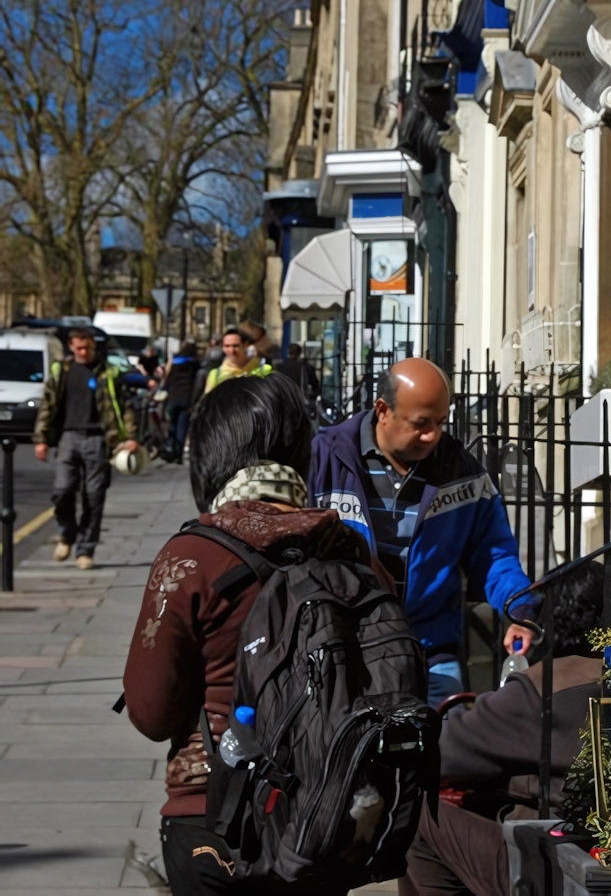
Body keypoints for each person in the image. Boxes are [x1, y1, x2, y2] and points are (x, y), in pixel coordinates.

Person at [121, 374, 367, 895]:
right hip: (325, 818)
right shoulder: (351, 551)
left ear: (210, 456)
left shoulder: (191, 558)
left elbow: (150, 711)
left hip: (213, 816)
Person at [311, 358, 535, 709]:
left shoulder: (462, 471)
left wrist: (519, 609)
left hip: (430, 651)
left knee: (445, 753)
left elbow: (493, 554)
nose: (432, 435)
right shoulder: (323, 457)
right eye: (420, 424)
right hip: (344, 646)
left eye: (440, 422)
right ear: (383, 410)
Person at [399, 562, 611, 896]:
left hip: (552, 863)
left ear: (549, 618)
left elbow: (444, 755)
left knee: (420, 816)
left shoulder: (545, 684)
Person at [32, 328, 139, 570]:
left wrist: (131, 437)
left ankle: (85, 549)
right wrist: (41, 439)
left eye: (87, 347)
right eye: (79, 347)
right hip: (68, 438)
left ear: (93, 346)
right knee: (62, 491)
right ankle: (67, 533)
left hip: (99, 439)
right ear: (71, 346)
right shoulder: (62, 371)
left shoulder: (107, 373)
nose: (83, 351)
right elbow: (47, 404)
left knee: (94, 497)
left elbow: (126, 406)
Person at [159, 342, 201, 461]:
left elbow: (168, 379)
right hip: (186, 398)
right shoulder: (193, 363)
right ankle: (178, 453)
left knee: (172, 423)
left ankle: (171, 448)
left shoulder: (176, 362)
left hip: (173, 396)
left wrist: (164, 390)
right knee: (182, 427)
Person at [203, 328, 271, 395]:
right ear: (223, 348)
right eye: (227, 346)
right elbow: (208, 403)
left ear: (245, 346)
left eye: (236, 346)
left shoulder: (264, 370)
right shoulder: (215, 375)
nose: (231, 351)